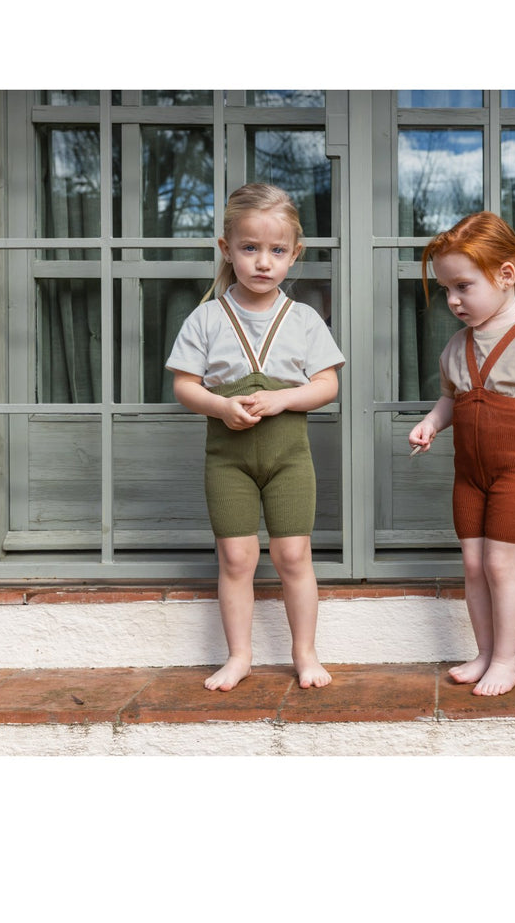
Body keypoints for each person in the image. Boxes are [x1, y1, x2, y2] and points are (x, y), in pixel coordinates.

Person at [166, 183, 344, 692]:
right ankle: (239, 655)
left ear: (294, 254)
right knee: (237, 559)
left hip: (290, 460)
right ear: (227, 249)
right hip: (228, 461)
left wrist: (284, 399)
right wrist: (221, 407)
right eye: (249, 248)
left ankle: (305, 653)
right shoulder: (206, 317)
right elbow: (184, 386)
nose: (263, 262)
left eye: (277, 251)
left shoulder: (304, 319)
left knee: (293, 557)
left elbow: (327, 384)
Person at [408, 212, 515, 697]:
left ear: (506, 274)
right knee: (473, 566)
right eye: (446, 289)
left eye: (463, 286)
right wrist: (431, 423)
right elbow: (451, 399)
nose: (453, 300)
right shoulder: (456, 346)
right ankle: (485, 653)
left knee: (501, 566)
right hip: (469, 476)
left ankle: (507, 661)